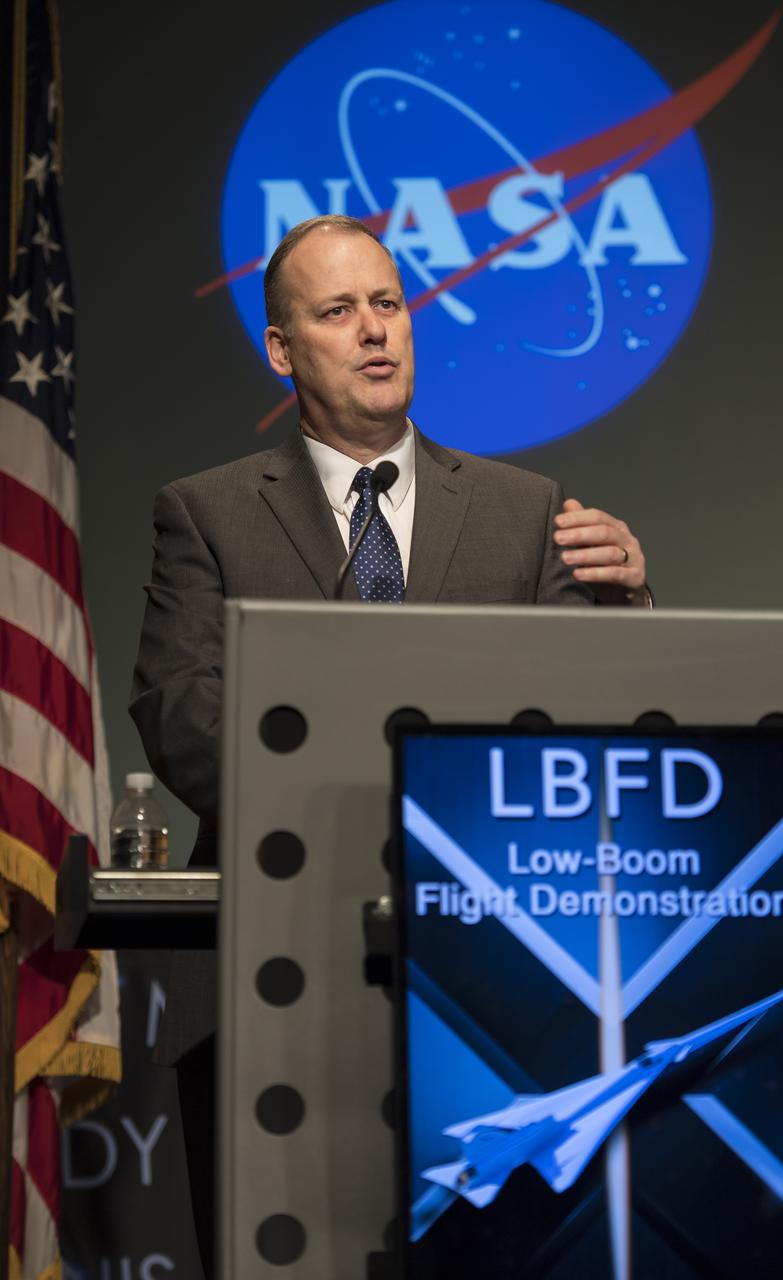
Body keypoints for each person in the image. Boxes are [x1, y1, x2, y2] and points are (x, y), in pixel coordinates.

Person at [129, 214, 651, 1276]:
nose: (374, 332)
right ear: (282, 348)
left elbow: (581, 722)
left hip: (491, 976)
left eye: (387, 303)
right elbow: (184, 712)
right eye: (336, 311)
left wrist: (631, 602)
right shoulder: (208, 513)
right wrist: (369, 815)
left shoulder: (522, 510)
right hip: (270, 965)